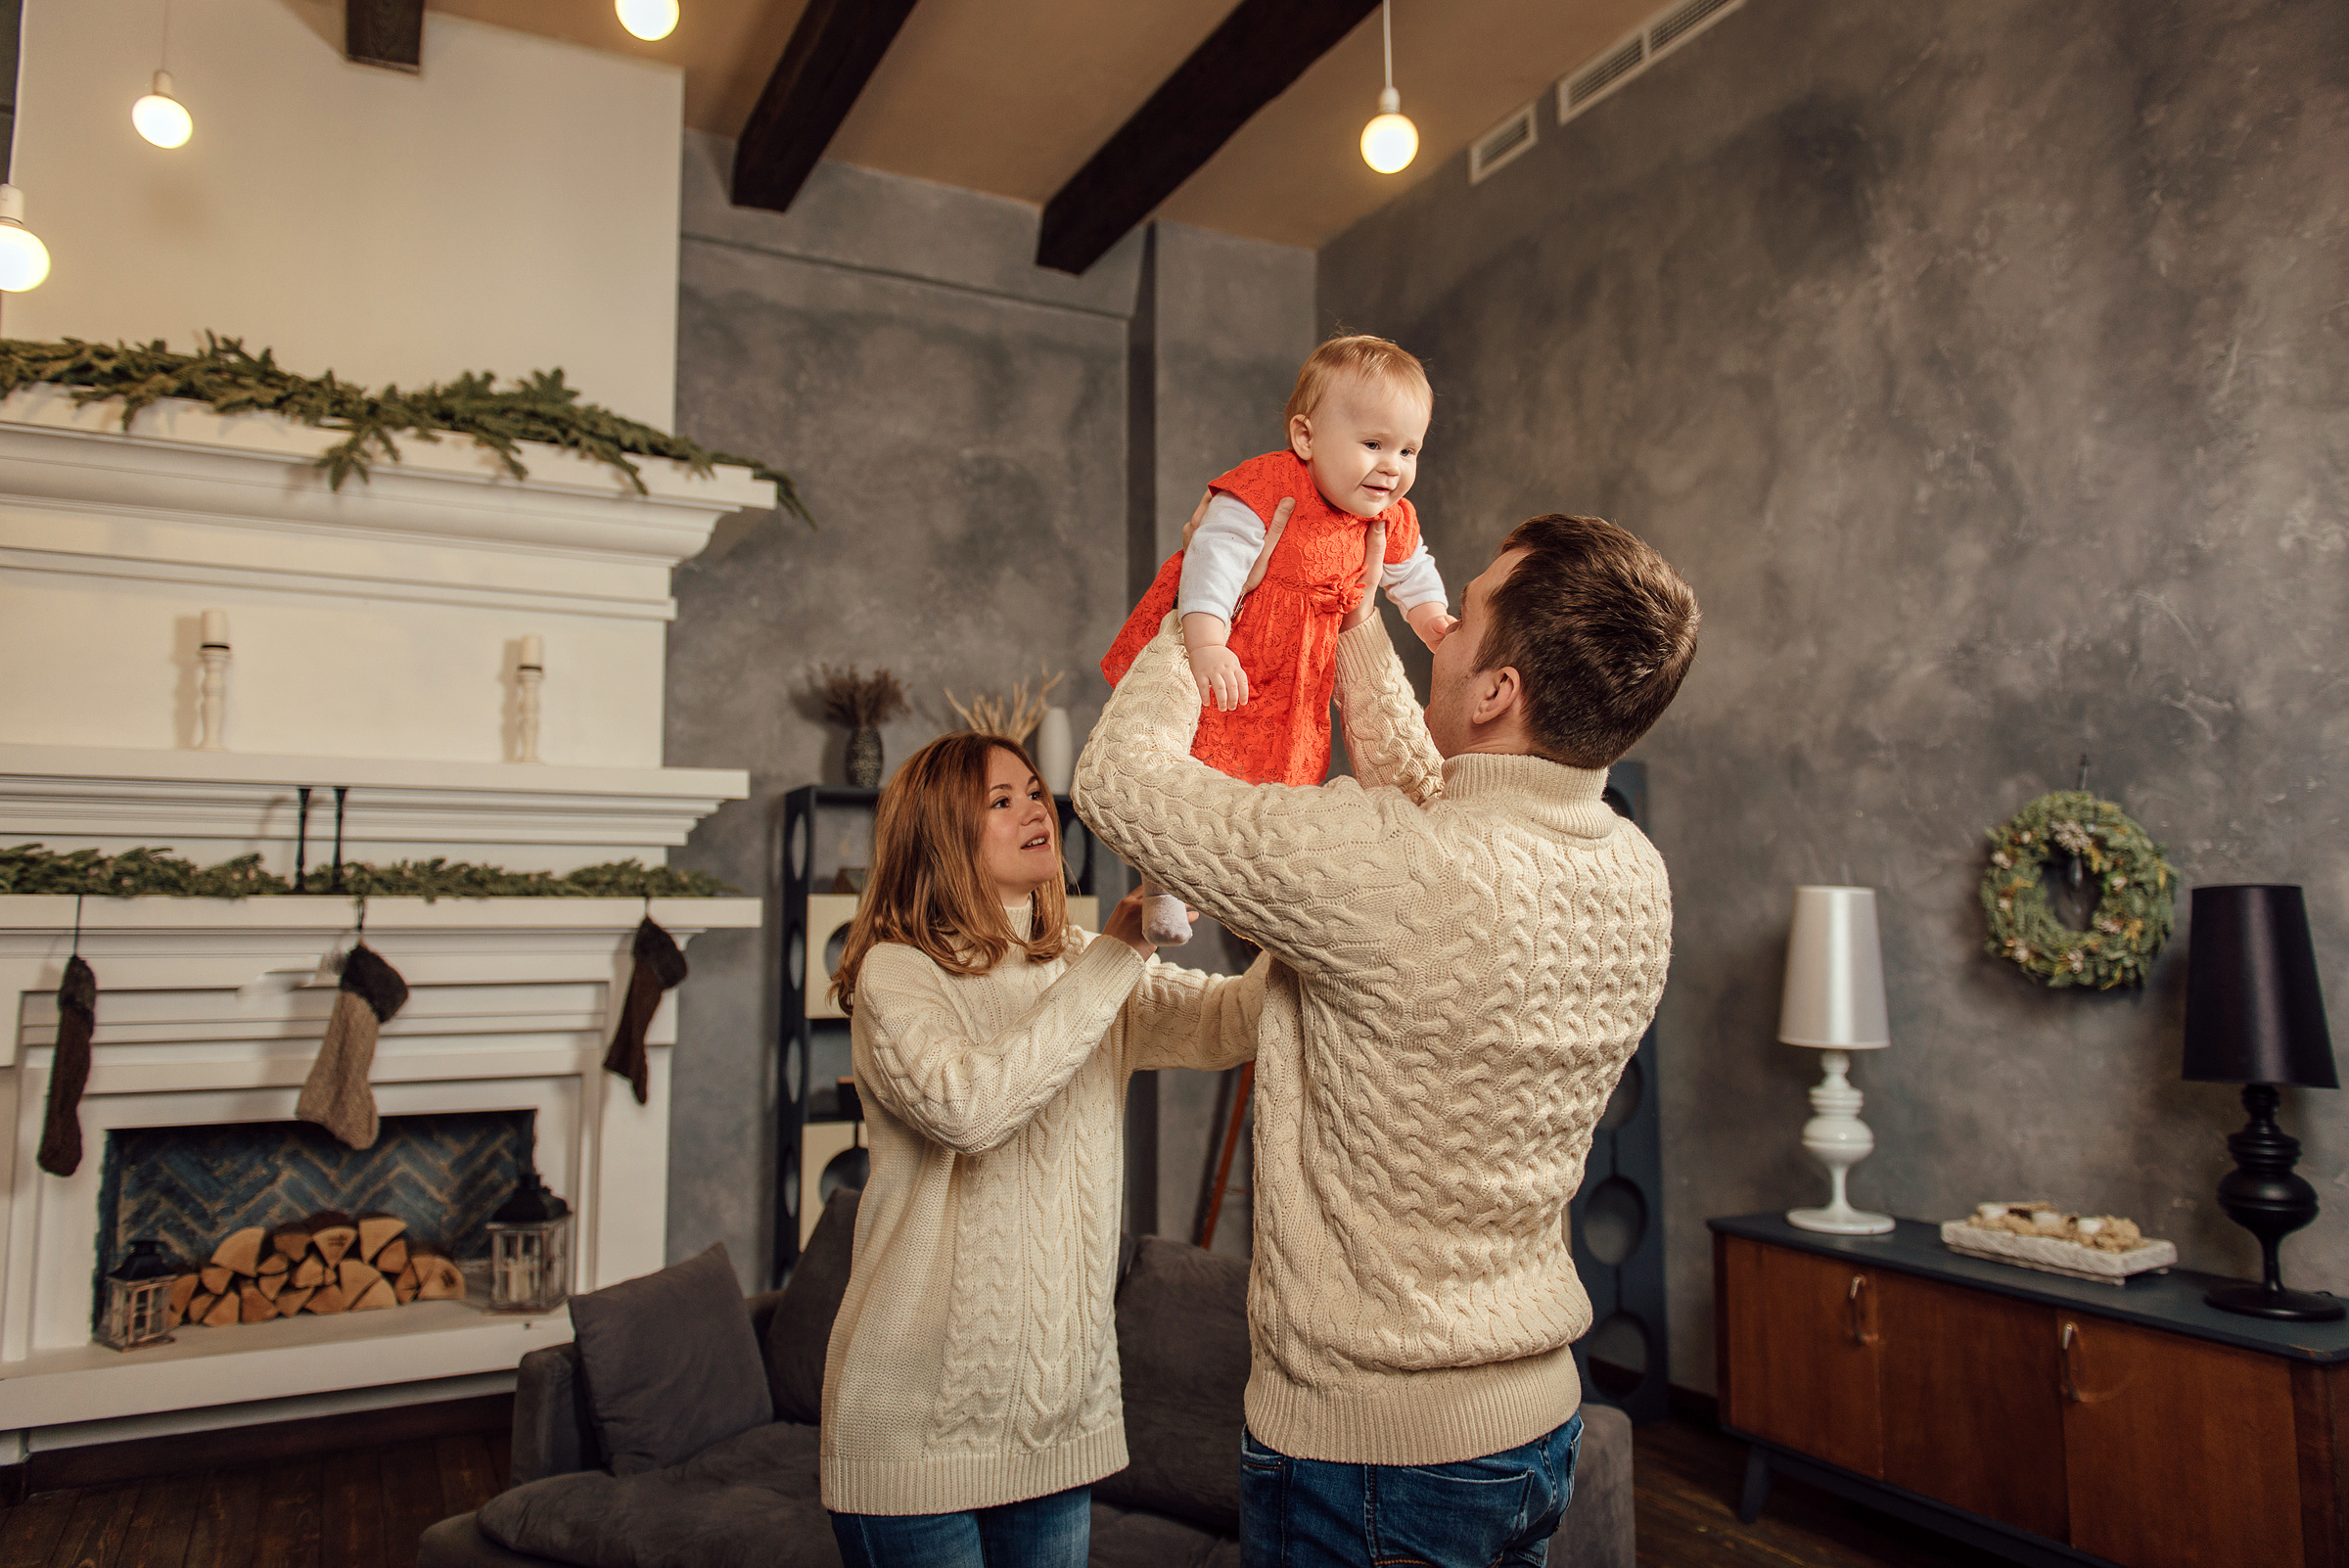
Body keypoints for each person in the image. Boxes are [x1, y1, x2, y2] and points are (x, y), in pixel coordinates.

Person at [1075, 512, 1700, 1567]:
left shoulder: (1398, 868)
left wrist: (1203, 607)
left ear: (1502, 691)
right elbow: (1438, 808)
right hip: (1535, 1426)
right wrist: (1356, 621)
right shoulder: (1631, 871)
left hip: (1373, 1460)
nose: (1441, 630)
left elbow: (1117, 783)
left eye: (1466, 618)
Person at [818, 731, 1260, 1568]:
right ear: (943, 832)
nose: (1036, 809)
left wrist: (1305, 919)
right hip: (911, 1439)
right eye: (1001, 800)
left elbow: (1232, 1020)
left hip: (1057, 1435)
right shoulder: (897, 974)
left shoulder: (1078, 964)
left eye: (1034, 790)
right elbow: (971, 1110)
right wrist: (1119, 954)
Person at [1102, 335, 1457, 944]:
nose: (1392, 466)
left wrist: (1431, 620)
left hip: (1298, 674)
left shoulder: (1387, 515)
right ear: (1306, 437)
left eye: (1408, 449)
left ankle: (1252, 892)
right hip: (1235, 645)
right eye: (1373, 444)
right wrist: (1208, 640)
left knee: (1278, 781)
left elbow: (1411, 568)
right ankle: (1160, 884)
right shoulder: (1270, 489)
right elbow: (1211, 559)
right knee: (1180, 762)